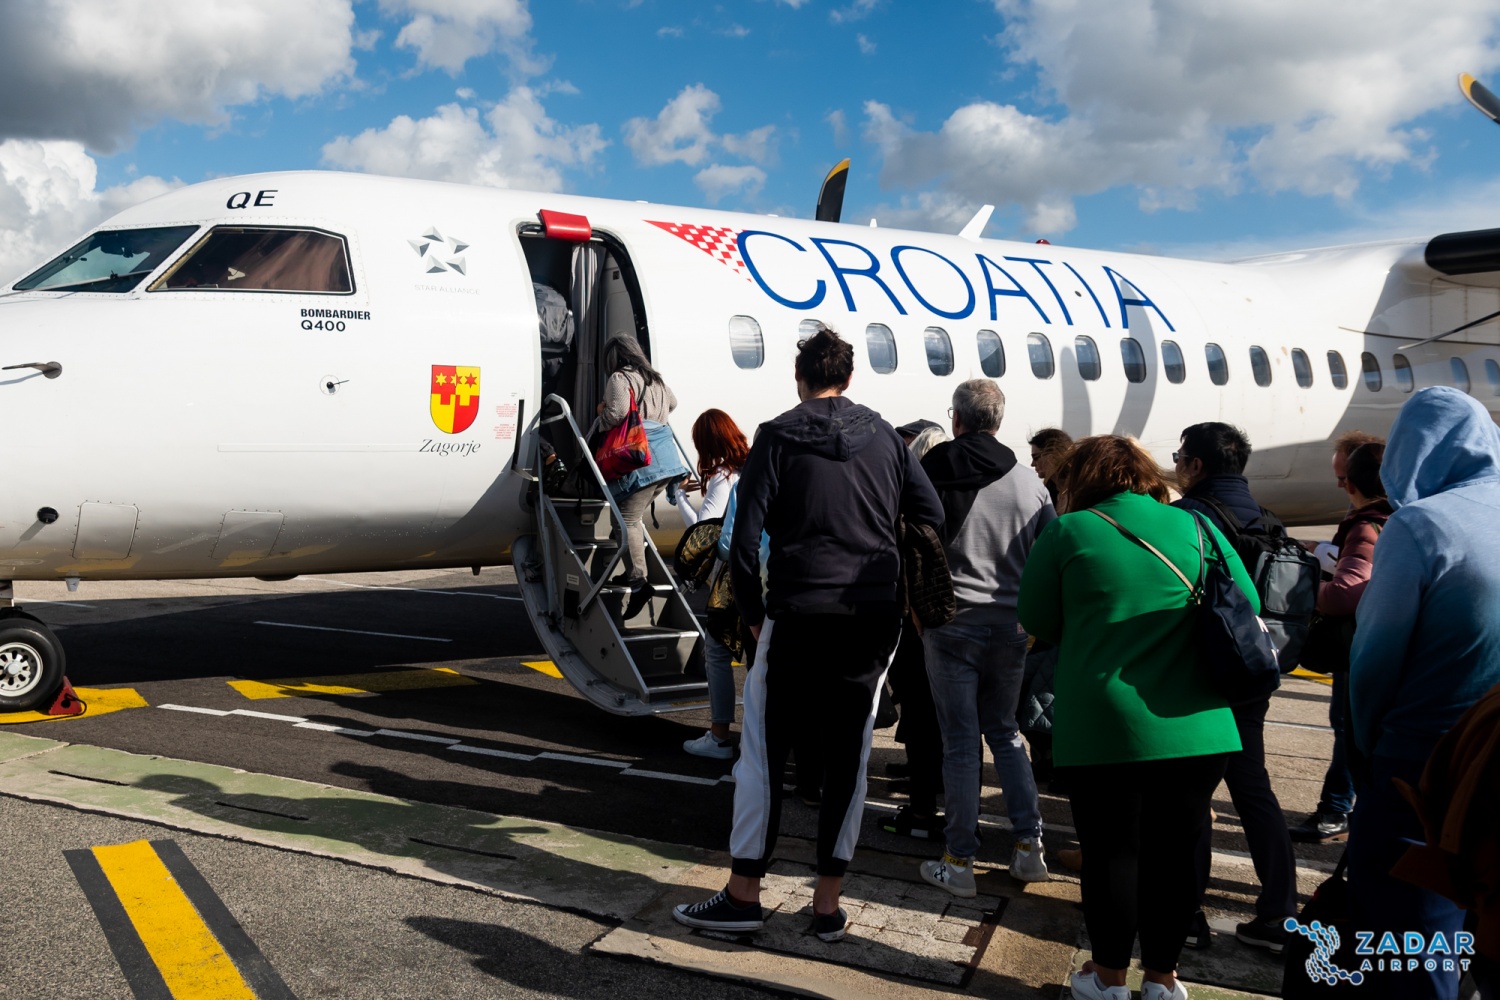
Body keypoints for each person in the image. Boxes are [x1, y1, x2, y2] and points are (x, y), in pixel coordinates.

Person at [672, 327, 943, 943]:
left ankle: (745, 894)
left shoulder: (778, 435)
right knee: (851, 753)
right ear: (847, 378)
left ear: (800, 378)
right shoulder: (886, 437)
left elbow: (744, 541)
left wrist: (754, 612)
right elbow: (931, 515)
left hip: (797, 610)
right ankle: (826, 905)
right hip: (870, 617)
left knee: (764, 755)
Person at [1019, 435, 1249, 1000]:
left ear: (1080, 479)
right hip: (1200, 726)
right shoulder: (1197, 526)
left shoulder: (1070, 531)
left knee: (1112, 853)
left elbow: (1038, 619)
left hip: (1108, 723)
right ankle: (1164, 981)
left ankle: (1108, 979)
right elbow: (1247, 601)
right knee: (1176, 856)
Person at [1347, 386, 1500, 1000]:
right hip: (1494, 752)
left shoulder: (1420, 523)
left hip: (1424, 763)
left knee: (1412, 940)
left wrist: (1366, 749)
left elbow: (1374, 661)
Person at [916, 379, 1056, 896]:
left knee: (959, 743)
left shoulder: (933, 470)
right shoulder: (1028, 483)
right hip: (1011, 628)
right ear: (998, 421)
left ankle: (959, 860)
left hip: (950, 624)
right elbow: (1049, 554)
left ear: (956, 419)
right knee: (1005, 732)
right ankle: (1028, 848)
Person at [1172, 421, 1298, 954]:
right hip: (1253, 672)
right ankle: (1280, 912)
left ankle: (1186, 917)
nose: (1177, 465)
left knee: (1191, 794)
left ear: (1196, 465)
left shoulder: (1187, 519)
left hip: (1202, 676)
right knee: (1253, 789)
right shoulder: (1269, 520)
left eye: (1180, 457)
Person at [1288, 440, 1389, 843]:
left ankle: (1336, 809)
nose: (1339, 486)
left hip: (1359, 641)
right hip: (1383, 638)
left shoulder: (1367, 524)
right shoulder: (1398, 514)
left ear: (1356, 482)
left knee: (1348, 728)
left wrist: (1305, 587)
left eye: (1343, 477)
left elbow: (1344, 594)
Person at [883, 418, 951, 841]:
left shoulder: (917, 497)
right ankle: (955, 816)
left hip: (919, 619)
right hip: (961, 617)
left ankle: (923, 807)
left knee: (922, 711)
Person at [676, 409, 749, 760]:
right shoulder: (749, 470)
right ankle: (757, 736)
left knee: (717, 654)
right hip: (761, 572)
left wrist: (679, 498)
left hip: (731, 577)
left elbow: (702, 531)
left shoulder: (723, 477)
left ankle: (719, 736)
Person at [596, 336, 678, 589]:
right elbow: (673, 403)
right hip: (667, 460)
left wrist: (600, 417)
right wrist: (653, 414)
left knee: (626, 519)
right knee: (630, 516)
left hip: (641, 459)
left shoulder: (620, 378)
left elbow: (618, 413)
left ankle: (637, 579)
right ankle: (633, 570)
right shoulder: (656, 379)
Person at [1028, 428, 1073, 504]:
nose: (1032, 464)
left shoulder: (1079, 490)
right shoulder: (1049, 490)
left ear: (1053, 455)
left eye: (1035, 457)